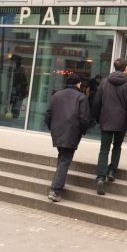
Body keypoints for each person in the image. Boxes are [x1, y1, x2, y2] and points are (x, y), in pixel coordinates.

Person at [91, 58, 127, 195]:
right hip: (121, 123)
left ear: (114, 67)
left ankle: (100, 177)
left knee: (104, 149)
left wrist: (98, 118)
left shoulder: (104, 82)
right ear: (125, 69)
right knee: (117, 147)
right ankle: (112, 171)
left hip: (106, 121)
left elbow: (96, 102)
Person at [45, 74, 90, 202]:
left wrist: (52, 127)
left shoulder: (56, 95)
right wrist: (82, 131)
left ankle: (59, 182)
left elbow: (48, 114)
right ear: (78, 84)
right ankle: (55, 189)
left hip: (58, 131)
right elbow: (84, 119)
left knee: (62, 157)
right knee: (65, 159)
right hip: (71, 132)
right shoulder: (81, 97)